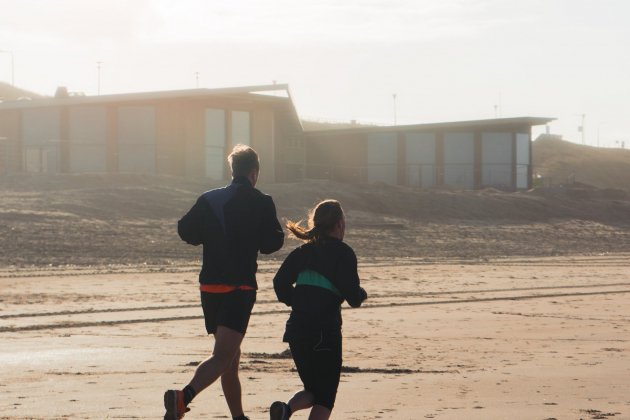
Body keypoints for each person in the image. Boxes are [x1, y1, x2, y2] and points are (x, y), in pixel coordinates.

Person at [163, 144, 284, 420]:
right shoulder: (261, 201)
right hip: (239, 288)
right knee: (222, 357)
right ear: (254, 173)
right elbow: (271, 243)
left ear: (233, 170)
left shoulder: (210, 199)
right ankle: (182, 397)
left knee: (230, 358)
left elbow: (186, 230)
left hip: (209, 288)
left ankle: (238, 416)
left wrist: (212, 235)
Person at [270, 199, 367, 420]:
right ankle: (284, 411)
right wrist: (361, 293)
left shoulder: (303, 251)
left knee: (313, 391)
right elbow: (353, 298)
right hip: (324, 333)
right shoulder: (344, 254)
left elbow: (279, 283)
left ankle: (285, 411)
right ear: (340, 224)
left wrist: (298, 301)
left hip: (296, 330)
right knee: (325, 399)